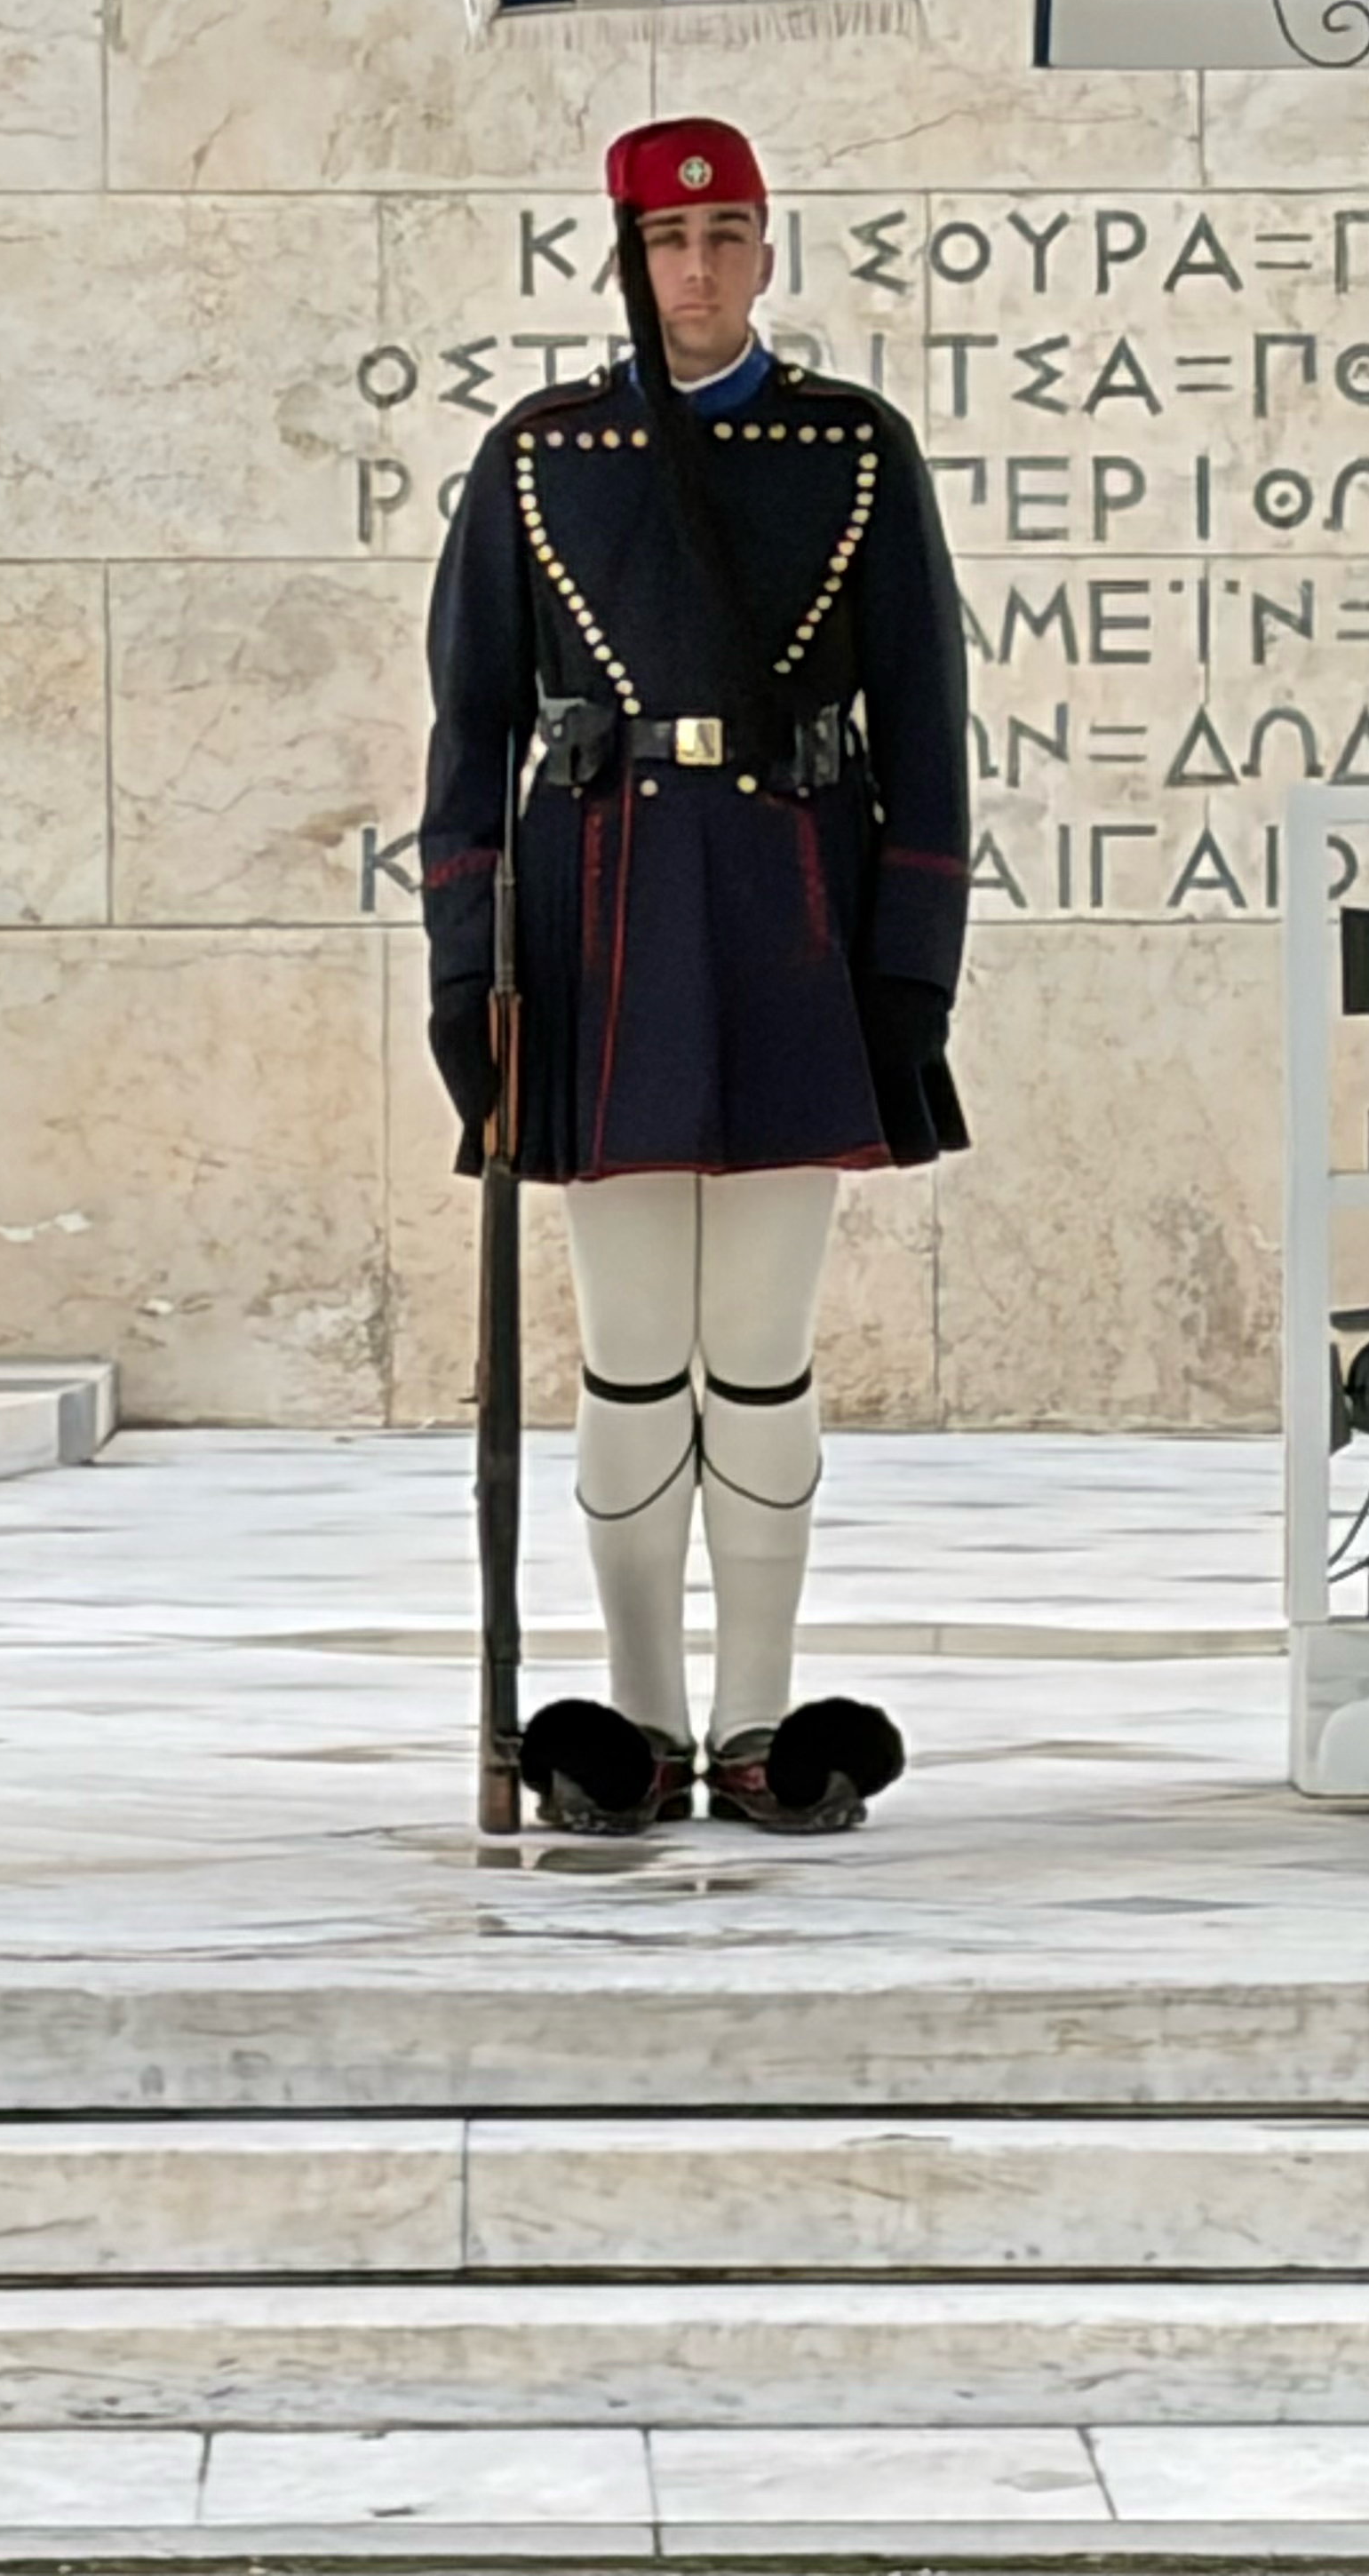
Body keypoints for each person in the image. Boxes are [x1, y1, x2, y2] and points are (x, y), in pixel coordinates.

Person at [418, 115, 972, 1835]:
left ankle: (760, 1716)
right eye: (671, 242)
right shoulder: (538, 458)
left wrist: (907, 976)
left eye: (730, 236)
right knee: (632, 1349)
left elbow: (929, 736)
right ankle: (640, 1715)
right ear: (625, 257)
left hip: (792, 921)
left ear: (769, 251)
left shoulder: (855, 451)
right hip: (606, 929)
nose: (702, 271)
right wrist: (466, 975)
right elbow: (470, 737)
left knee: (763, 1347)